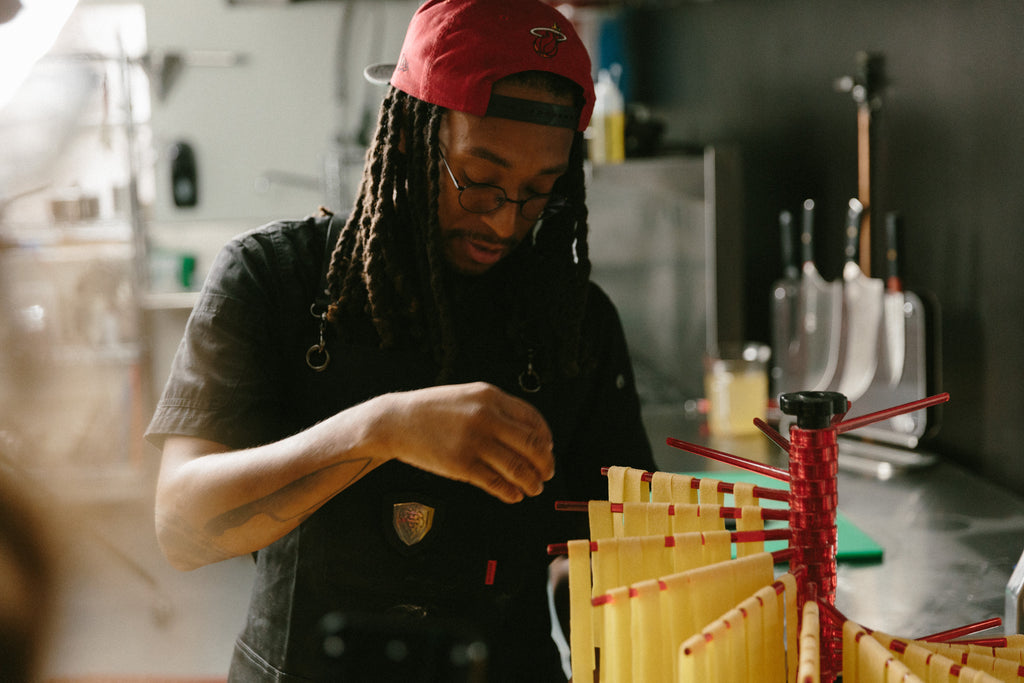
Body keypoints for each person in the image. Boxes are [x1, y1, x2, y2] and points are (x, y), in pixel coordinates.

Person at [147, 0, 656, 680]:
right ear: (414, 135)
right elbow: (181, 524)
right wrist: (379, 430)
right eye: (478, 180)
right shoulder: (274, 279)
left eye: (538, 191)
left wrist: (612, 628)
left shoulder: (571, 319)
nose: (504, 221)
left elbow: (593, 545)